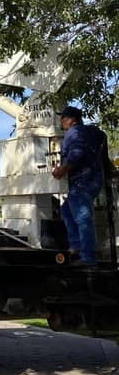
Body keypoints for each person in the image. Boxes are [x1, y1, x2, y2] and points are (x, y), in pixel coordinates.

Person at [51, 105, 107, 266]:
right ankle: (76, 246)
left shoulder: (73, 133)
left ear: (72, 120)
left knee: (83, 218)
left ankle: (87, 258)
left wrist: (61, 170)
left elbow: (77, 153)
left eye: (64, 118)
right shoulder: (92, 132)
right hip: (94, 180)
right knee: (66, 210)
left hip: (81, 182)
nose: (61, 121)